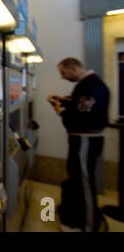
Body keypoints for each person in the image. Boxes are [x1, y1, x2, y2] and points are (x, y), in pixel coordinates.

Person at [47, 57, 110, 232]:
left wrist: (60, 110)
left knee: (84, 182)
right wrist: (64, 100)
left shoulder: (91, 84)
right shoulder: (88, 84)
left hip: (86, 139)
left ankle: (90, 225)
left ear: (73, 68)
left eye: (63, 72)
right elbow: (79, 105)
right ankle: (77, 218)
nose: (62, 77)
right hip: (82, 139)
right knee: (77, 179)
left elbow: (82, 115)